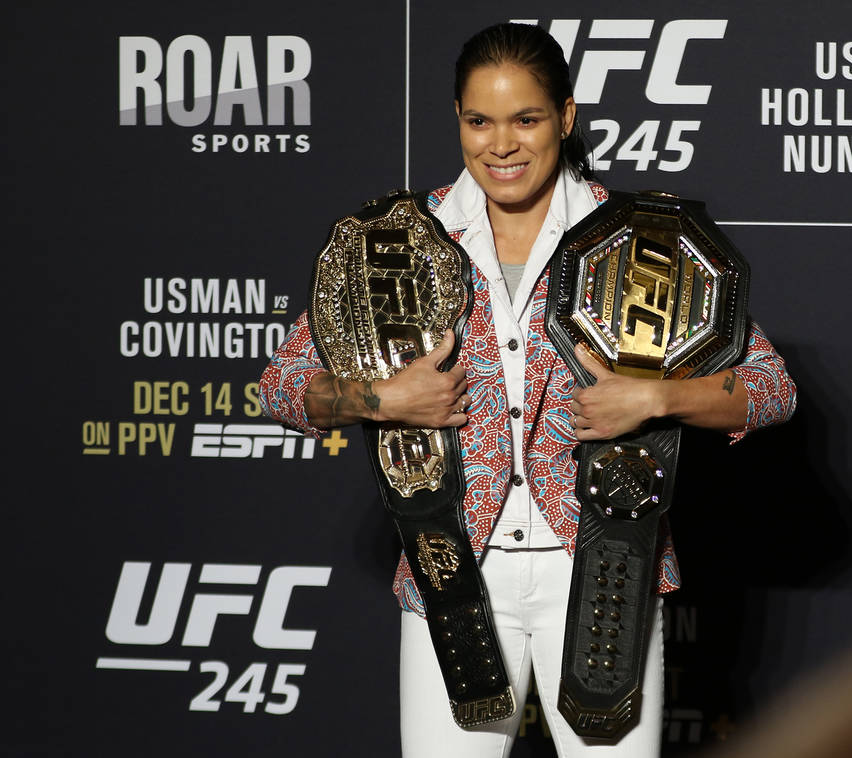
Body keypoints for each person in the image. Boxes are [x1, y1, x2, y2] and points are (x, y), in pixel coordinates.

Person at [260, 22, 796, 758]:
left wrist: (655, 399)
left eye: (526, 119)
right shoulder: (399, 241)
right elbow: (284, 388)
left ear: (566, 118)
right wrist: (381, 401)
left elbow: (769, 389)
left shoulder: (643, 239)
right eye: (480, 121)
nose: (501, 144)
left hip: (608, 568)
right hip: (451, 573)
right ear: (457, 119)